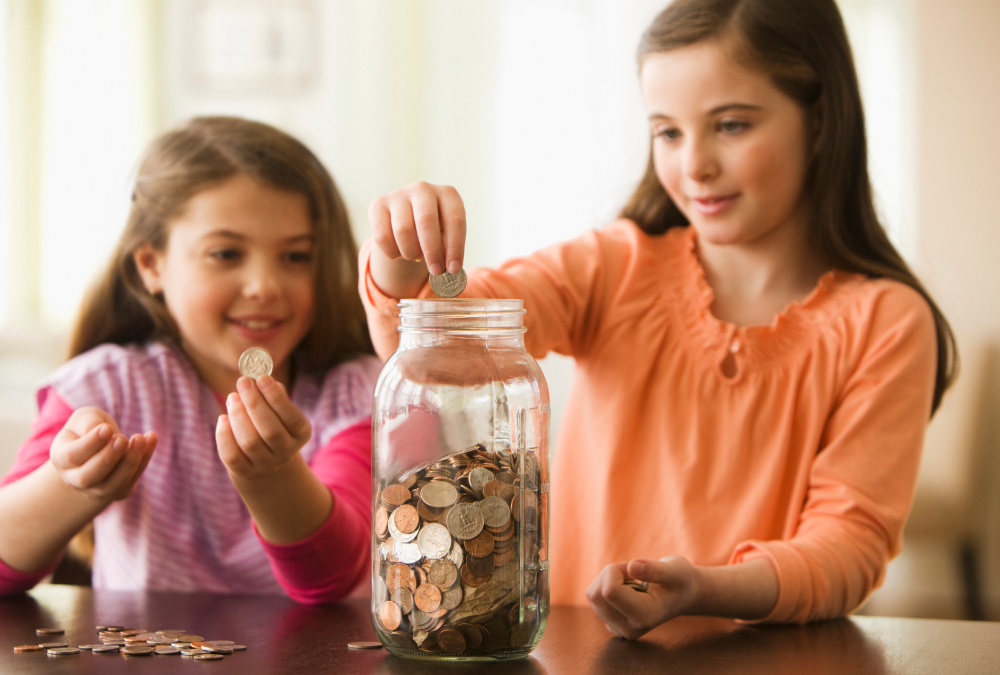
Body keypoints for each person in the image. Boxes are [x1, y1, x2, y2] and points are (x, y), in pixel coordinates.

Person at [358, 0, 957, 637]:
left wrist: (702, 588)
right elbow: (424, 346)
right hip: (574, 653)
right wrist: (396, 260)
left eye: (730, 125)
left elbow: (849, 547)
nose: (693, 165)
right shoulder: (613, 266)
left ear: (820, 121)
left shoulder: (886, 322)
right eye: (668, 132)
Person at [0, 117, 379, 603]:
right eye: (225, 253)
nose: (264, 285)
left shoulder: (355, 395)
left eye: (296, 257)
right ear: (151, 265)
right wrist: (72, 484)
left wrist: (272, 477)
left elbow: (336, 576)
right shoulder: (106, 388)